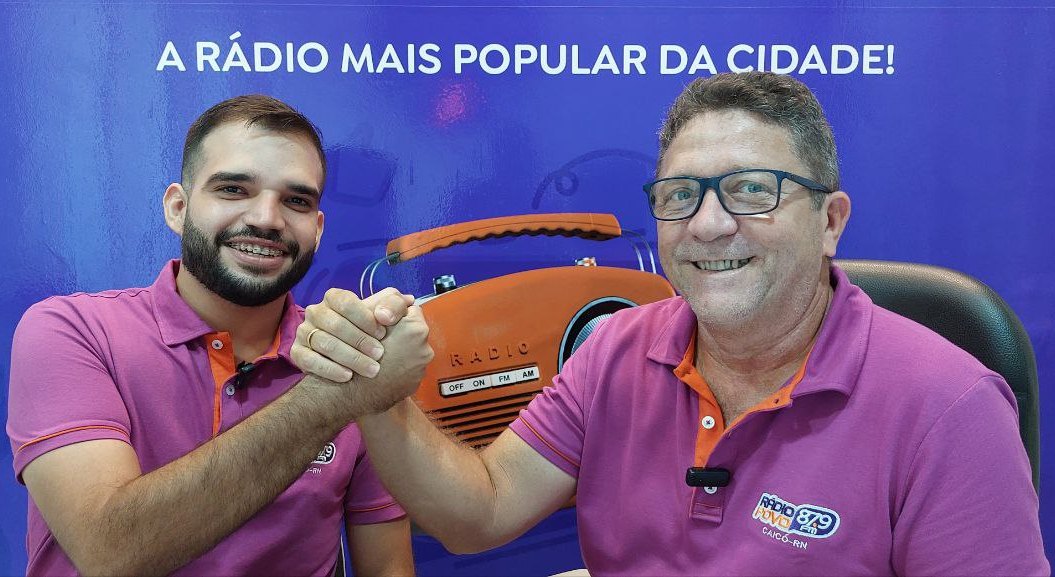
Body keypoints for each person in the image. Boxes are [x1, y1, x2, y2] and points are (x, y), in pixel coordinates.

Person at [291, 72, 1049, 576]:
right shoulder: (617, 349)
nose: (709, 224)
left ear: (830, 221)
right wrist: (378, 392)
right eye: (680, 195)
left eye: (751, 189)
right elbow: (480, 510)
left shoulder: (950, 409)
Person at [6, 95, 431, 576]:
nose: (266, 219)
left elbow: (388, 567)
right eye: (233, 189)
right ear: (178, 208)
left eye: (296, 200)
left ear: (317, 229)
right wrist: (337, 396)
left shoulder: (354, 348)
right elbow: (110, 553)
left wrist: (361, 379)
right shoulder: (73, 332)